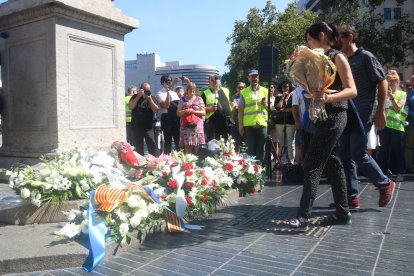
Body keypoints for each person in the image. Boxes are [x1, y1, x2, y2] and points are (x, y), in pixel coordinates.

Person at [286, 22, 357, 230]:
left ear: (322, 36)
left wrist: (327, 96)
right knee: (333, 163)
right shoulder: (314, 61)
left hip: (335, 115)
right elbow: (311, 92)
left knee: (311, 164)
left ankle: (304, 216)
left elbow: (352, 90)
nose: (307, 44)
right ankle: (343, 213)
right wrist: (312, 92)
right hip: (322, 115)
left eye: (309, 39)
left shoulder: (338, 57)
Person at [334, 24, 396, 209]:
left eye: (342, 37)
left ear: (350, 37)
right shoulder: (341, 59)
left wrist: (381, 111)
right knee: (345, 155)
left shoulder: (366, 57)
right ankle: (351, 197)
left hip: (363, 113)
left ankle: (385, 183)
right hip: (346, 113)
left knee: (358, 154)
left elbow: (382, 82)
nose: (339, 41)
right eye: (337, 37)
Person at [376, 70, 406, 182]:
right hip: (383, 124)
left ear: (397, 81)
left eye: (393, 80)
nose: (390, 82)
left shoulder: (402, 94)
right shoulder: (382, 93)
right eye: (388, 80)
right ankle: (381, 174)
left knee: (397, 150)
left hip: (396, 126)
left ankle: (399, 173)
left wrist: (391, 97)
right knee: (382, 150)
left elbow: (398, 108)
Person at [238, 69, 268, 163]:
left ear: (258, 78)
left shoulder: (265, 91)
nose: (254, 78)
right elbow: (240, 110)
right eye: (252, 76)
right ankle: (251, 173)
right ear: (248, 78)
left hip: (262, 124)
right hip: (249, 125)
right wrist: (240, 126)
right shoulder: (244, 92)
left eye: (256, 76)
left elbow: (272, 109)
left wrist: (266, 105)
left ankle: (260, 173)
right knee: (250, 150)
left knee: (261, 150)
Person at [128, 82, 159, 156]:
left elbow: (156, 110)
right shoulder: (135, 96)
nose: (147, 91)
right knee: (138, 147)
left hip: (148, 127)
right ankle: (140, 164)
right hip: (137, 126)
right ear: (141, 89)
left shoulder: (152, 97)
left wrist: (150, 99)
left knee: (152, 145)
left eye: (148, 89)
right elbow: (130, 106)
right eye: (145, 90)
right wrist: (138, 96)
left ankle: (153, 162)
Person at [177, 82, 206, 154]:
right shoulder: (182, 99)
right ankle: (189, 164)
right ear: (187, 90)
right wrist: (185, 111)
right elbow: (178, 113)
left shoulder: (199, 99)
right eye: (190, 89)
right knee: (187, 148)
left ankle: (198, 164)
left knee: (198, 148)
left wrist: (193, 111)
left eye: (194, 89)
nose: (192, 90)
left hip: (197, 128)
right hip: (186, 127)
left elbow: (203, 112)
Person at [155, 75, 181, 154]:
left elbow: (179, 105)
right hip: (166, 117)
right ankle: (167, 159)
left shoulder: (174, 93)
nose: (169, 83)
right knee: (168, 140)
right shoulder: (159, 93)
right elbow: (165, 106)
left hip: (175, 117)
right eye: (167, 81)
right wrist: (168, 94)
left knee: (178, 139)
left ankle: (180, 157)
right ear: (163, 82)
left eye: (170, 81)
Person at [202, 75, 232, 142]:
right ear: (209, 82)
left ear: (219, 81)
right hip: (212, 123)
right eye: (212, 80)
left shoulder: (226, 90)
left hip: (226, 122)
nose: (215, 81)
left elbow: (230, 103)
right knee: (213, 145)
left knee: (227, 144)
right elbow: (200, 108)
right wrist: (209, 109)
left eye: (216, 79)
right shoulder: (205, 93)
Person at [274, 81, 296, 164]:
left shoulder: (293, 96)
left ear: (289, 87)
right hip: (280, 123)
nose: (285, 88)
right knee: (282, 143)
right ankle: (282, 162)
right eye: (283, 87)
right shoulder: (278, 97)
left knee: (290, 143)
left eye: (287, 86)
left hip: (291, 122)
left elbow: (294, 108)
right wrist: (283, 98)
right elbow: (278, 108)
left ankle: (291, 162)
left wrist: (285, 110)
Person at [231, 81, 246, 152]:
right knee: (236, 142)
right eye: (239, 87)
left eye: (243, 87)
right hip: (236, 121)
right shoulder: (234, 97)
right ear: (236, 88)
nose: (241, 89)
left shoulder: (247, 95)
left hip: (246, 120)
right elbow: (234, 108)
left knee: (244, 143)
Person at [404, 75, 414, 172]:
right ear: (410, 82)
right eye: (413, 80)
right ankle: (408, 166)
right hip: (412, 124)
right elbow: (406, 109)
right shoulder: (407, 95)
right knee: (409, 146)